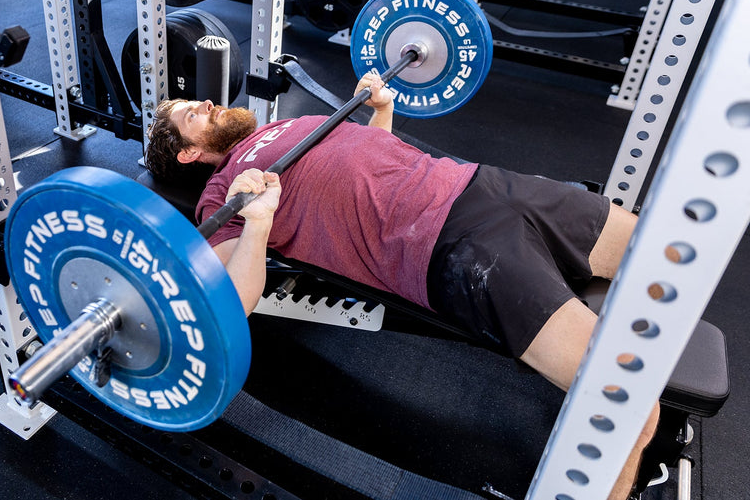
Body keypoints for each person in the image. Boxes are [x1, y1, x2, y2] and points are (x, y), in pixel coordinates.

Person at [143, 73, 659, 500]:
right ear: (188, 154)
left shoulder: (289, 125)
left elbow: (372, 158)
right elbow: (233, 301)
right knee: (629, 404)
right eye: (193, 114)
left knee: (668, 252)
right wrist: (256, 221)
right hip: (451, 246)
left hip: (484, 183)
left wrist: (382, 111)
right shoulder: (222, 197)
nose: (209, 103)